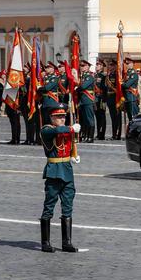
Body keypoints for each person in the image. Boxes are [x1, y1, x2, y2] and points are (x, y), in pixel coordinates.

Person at [39, 106, 80, 253]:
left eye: (63, 116)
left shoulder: (66, 129)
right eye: (59, 117)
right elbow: (57, 131)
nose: (62, 119)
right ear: (52, 118)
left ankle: (66, 242)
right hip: (54, 172)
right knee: (49, 205)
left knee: (68, 205)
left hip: (67, 171)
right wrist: (72, 128)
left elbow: (71, 143)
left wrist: (73, 155)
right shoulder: (46, 130)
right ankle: (45, 242)